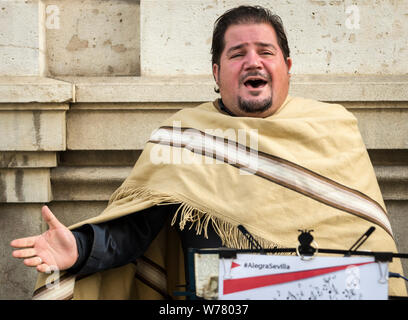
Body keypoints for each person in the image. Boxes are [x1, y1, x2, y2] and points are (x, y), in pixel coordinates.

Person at [10, 5, 407, 299]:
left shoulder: (333, 128)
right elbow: (133, 230)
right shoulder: (186, 136)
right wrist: (79, 249)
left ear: (287, 66)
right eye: (237, 54)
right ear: (217, 73)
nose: (253, 61)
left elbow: (368, 242)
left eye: (265, 52)